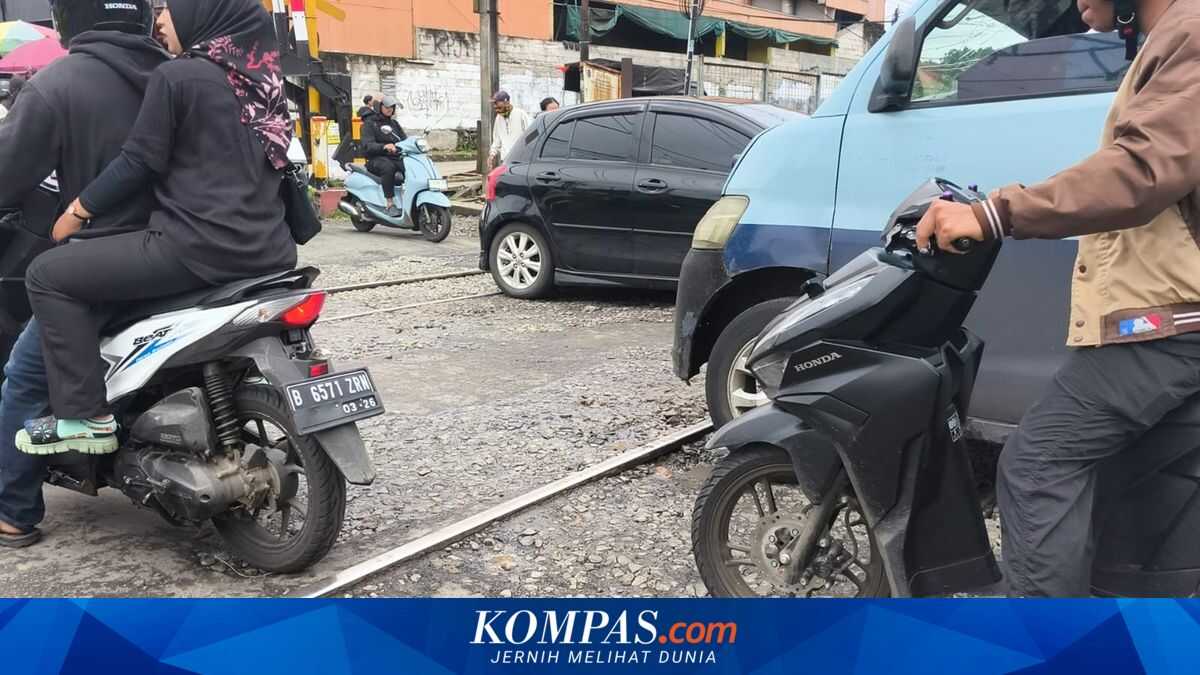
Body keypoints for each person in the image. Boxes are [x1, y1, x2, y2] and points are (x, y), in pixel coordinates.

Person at [916, 0, 1200, 597]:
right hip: (1175, 313)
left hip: (1168, 324)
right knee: (1139, 495)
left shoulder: (1192, 33)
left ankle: (1047, 643)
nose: (1074, 3)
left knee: (1037, 464)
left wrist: (996, 213)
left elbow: (1140, 173)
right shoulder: (1169, 38)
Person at [16, 0, 297, 457]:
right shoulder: (262, 83)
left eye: (169, 10)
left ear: (201, 16)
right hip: (270, 252)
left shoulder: (179, 75)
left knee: (47, 275)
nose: (160, 21)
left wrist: (77, 211)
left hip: (194, 248)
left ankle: (86, 417)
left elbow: (138, 162)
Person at [0, 0, 167, 547]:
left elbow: (8, 173)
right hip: (192, 251)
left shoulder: (57, 83)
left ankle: (15, 510)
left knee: (25, 379)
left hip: (104, 266)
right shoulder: (178, 74)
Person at [361, 95, 406, 217]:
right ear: (379, 106)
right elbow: (367, 145)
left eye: (392, 106)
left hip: (395, 157)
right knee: (388, 167)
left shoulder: (394, 124)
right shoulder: (370, 123)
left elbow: (404, 140)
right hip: (375, 159)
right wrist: (384, 146)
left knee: (410, 166)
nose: (389, 109)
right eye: (386, 106)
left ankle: (410, 200)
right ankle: (390, 204)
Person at [487, 90, 531, 169]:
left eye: (497, 103)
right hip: (505, 159)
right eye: (494, 103)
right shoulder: (498, 118)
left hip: (521, 159)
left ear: (506, 102)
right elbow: (497, 139)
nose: (495, 106)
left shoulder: (521, 114)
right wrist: (492, 154)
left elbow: (531, 134)